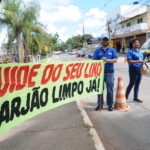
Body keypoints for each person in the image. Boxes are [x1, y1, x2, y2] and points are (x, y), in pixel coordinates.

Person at [93, 35, 118, 111]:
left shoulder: (112, 50)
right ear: (101, 41)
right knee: (99, 89)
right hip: (100, 73)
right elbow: (94, 60)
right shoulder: (97, 50)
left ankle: (110, 105)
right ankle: (100, 104)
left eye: (106, 40)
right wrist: (101, 60)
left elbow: (115, 60)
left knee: (110, 89)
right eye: (104, 40)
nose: (105, 41)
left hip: (110, 72)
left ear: (108, 41)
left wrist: (108, 60)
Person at [125, 38, 144, 102]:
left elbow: (141, 61)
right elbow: (129, 61)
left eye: (138, 42)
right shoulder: (131, 52)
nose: (138, 43)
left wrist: (143, 64)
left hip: (140, 70)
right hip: (133, 70)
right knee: (131, 84)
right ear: (132, 44)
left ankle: (135, 97)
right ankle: (125, 98)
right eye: (136, 42)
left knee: (137, 84)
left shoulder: (140, 52)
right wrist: (139, 61)